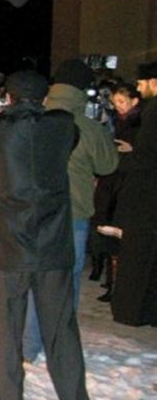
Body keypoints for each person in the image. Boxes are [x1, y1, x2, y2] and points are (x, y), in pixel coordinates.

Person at [0, 70, 91, 400]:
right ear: (44, 98)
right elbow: (73, 134)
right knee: (61, 328)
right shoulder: (61, 127)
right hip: (52, 249)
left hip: (9, 249)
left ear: (9, 97)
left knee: (9, 329)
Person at [22, 59, 119, 362]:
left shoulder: (32, 119)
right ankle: (59, 346)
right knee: (65, 283)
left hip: (34, 212)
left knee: (36, 279)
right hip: (73, 215)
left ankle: (27, 346)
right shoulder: (87, 128)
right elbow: (108, 165)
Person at [110, 61, 157, 327]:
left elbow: (146, 158)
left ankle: (130, 312)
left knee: (137, 258)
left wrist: (120, 157)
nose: (139, 88)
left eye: (141, 83)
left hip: (145, 197)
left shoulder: (152, 112)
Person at [90, 83, 141, 301]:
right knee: (105, 229)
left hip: (124, 183)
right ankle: (109, 278)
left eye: (122, 102)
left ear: (134, 101)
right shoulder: (118, 120)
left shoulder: (138, 122)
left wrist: (131, 150)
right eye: (116, 102)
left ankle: (115, 284)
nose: (118, 107)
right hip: (112, 180)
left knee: (117, 233)